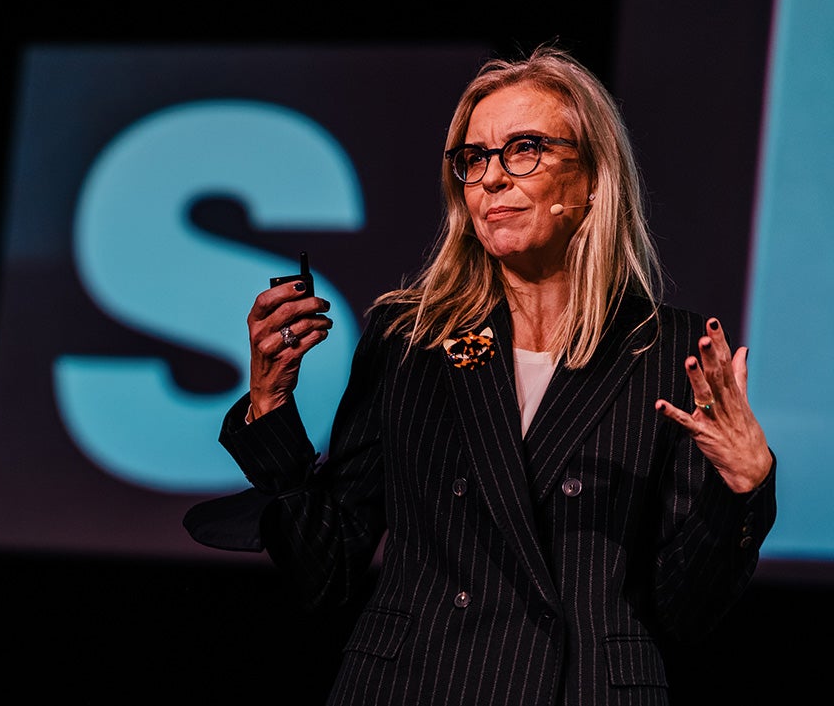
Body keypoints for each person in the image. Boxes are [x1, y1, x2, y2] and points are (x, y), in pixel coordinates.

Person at [184, 45, 776, 706]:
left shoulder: (668, 353)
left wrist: (741, 488)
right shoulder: (410, 340)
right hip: (416, 683)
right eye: (474, 158)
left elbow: (686, 612)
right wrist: (270, 409)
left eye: (524, 149)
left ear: (591, 179)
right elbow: (327, 574)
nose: (492, 178)